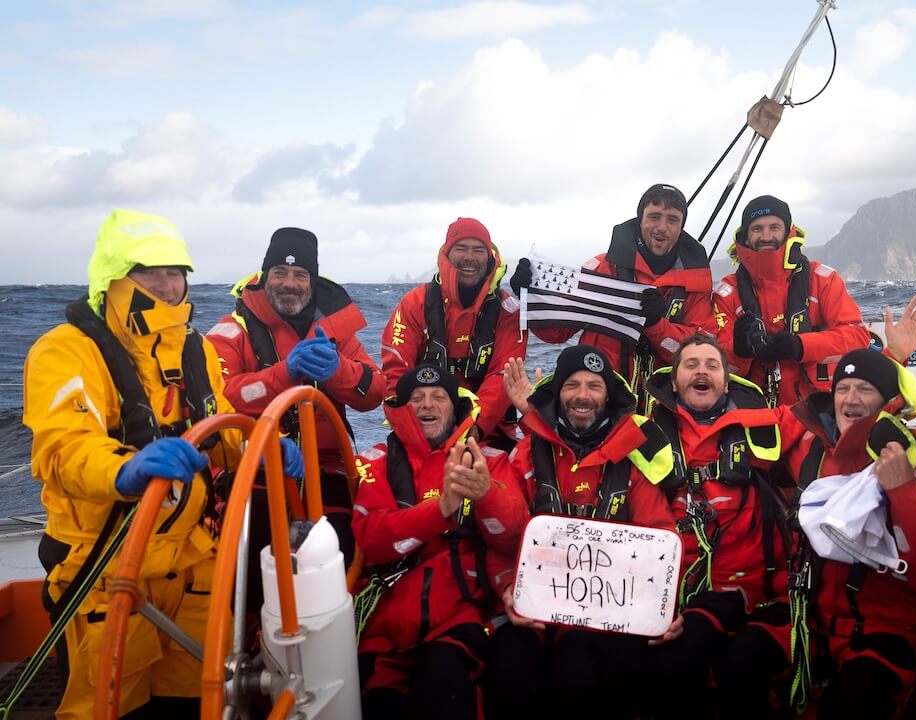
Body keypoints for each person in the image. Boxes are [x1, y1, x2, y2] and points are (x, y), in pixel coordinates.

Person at [22, 209, 256, 718]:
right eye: (151, 274)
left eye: (177, 273)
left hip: (192, 558)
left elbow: (219, 426)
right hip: (104, 561)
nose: (169, 286)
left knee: (199, 698)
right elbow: (64, 448)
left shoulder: (197, 350)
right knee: (106, 704)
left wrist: (259, 445)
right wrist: (123, 470)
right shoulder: (65, 351)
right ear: (115, 280)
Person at [486, 345, 679, 720]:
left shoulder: (633, 462)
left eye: (594, 385)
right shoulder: (524, 455)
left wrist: (664, 608)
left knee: (612, 674)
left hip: (611, 619)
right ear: (557, 394)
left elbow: (660, 535)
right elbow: (502, 538)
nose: (583, 395)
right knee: (509, 669)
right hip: (538, 614)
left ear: (608, 396)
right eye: (571, 385)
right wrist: (508, 588)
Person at [780, 349, 916, 719]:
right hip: (809, 621)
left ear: (886, 402)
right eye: (843, 388)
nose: (851, 398)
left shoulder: (910, 462)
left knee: (853, 705)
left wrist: (902, 489)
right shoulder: (812, 454)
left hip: (885, 631)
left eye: (865, 389)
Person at [351, 362, 527, 719]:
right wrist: (440, 509)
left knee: (445, 690)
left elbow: (512, 536)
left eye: (438, 397)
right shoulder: (374, 463)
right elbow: (374, 539)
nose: (428, 404)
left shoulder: (488, 461)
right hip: (384, 626)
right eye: (416, 398)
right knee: (378, 703)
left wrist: (485, 495)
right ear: (402, 409)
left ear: (455, 407)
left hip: (458, 619)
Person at [208, 227, 385, 565]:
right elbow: (220, 397)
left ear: (312, 281)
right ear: (264, 276)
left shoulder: (335, 328)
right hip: (255, 466)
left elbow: (374, 392)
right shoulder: (232, 331)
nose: (289, 283)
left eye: (300, 274)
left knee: (341, 552)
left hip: (327, 469)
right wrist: (284, 374)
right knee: (251, 561)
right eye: (280, 272)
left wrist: (338, 370)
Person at [644, 333, 793, 718]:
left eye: (712, 365)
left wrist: (891, 357)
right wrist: (530, 408)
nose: (702, 371)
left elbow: (839, 420)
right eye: (690, 364)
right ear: (673, 381)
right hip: (667, 593)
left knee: (719, 661)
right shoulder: (642, 434)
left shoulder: (765, 426)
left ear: (727, 382)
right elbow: (580, 447)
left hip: (746, 589)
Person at [714, 195, 916, 407]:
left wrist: (800, 346)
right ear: (744, 237)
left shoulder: (823, 280)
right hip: (752, 413)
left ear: (788, 231)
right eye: (757, 228)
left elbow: (856, 337)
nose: (766, 236)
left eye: (774, 227)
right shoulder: (727, 292)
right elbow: (714, 366)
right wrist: (738, 351)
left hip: (818, 410)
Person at [510, 184, 715, 409]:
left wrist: (658, 326)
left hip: (666, 406)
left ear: (682, 226)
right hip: (603, 401)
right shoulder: (600, 268)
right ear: (640, 220)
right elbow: (558, 332)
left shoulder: (696, 282)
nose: (662, 227)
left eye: (672, 220)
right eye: (654, 217)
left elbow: (700, 353)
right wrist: (532, 294)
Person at [381, 217, 524, 448]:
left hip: (489, 434)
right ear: (447, 253)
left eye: (478, 249)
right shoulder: (414, 304)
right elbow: (396, 370)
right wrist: (410, 429)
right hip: (422, 430)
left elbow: (503, 376)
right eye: (461, 248)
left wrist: (475, 428)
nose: (469, 257)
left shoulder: (509, 312)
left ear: (489, 257)